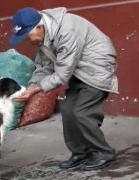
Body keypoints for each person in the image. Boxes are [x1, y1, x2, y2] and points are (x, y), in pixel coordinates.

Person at [9, 7, 118, 171]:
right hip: (78, 69)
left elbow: (62, 75)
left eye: (27, 35)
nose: (27, 40)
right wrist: (32, 86)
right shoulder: (44, 36)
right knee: (68, 109)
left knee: (82, 113)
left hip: (97, 67)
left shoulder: (67, 31)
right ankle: (81, 153)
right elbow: (43, 67)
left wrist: (35, 90)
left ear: (39, 27)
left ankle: (104, 153)